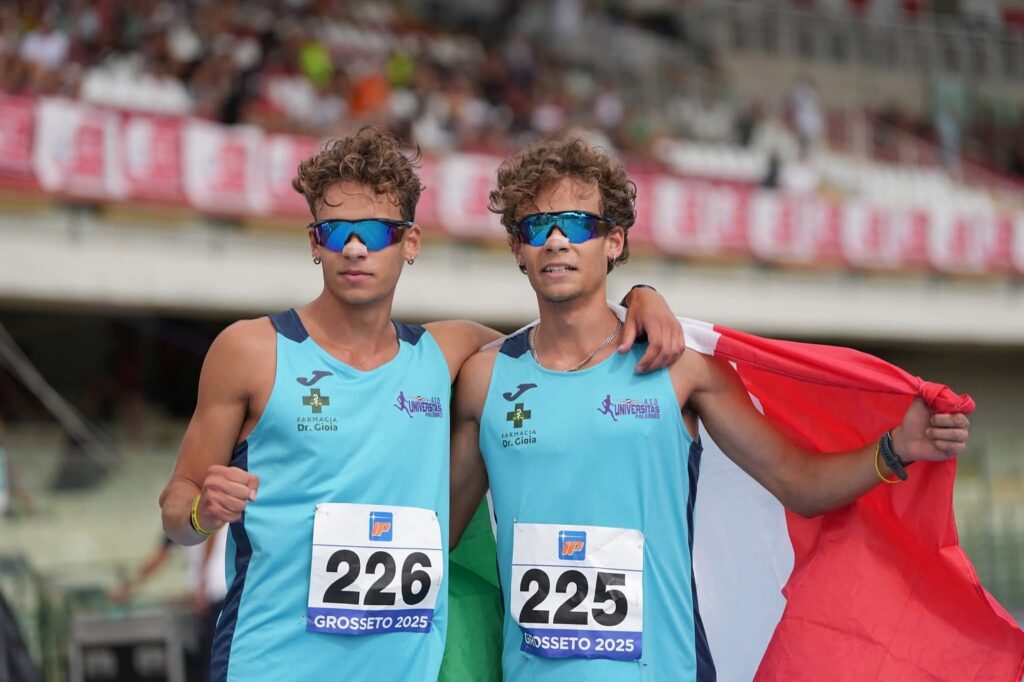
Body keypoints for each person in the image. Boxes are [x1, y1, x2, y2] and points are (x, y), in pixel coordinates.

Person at [157, 127, 682, 682]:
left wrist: (639, 296)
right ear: (315, 243)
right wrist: (200, 514)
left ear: (410, 243)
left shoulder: (448, 353)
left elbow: (564, 343)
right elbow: (176, 509)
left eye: (375, 232)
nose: (354, 249)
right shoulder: (251, 351)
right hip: (272, 665)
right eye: (336, 233)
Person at [448, 138, 972, 681]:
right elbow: (439, 535)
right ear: (518, 248)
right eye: (537, 227)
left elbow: (799, 483)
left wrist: (895, 449)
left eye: (577, 225)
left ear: (614, 241)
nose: (556, 240)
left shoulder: (679, 369)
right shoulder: (485, 382)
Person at [110, 528, 227, 682]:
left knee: (215, 661)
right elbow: (161, 555)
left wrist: (202, 582)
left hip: (218, 592)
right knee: (207, 661)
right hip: (206, 595)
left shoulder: (202, 514)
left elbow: (212, 532)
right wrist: (131, 587)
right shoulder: (177, 521)